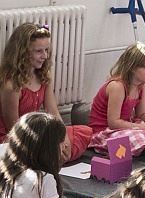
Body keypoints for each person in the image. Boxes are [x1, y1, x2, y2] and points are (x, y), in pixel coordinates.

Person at [0, 23, 91, 162]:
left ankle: (50, 158)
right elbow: (14, 128)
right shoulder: (11, 85)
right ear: (22, 52)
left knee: (85, 132)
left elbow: (53, 112)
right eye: (38, 51)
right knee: (46, 151)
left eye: (47, 50)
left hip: (36, 132)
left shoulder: (43, 76)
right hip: (17, 137)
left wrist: (63, 138)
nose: (45, 56)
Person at [88, 42, 145, 156]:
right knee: (140, 137)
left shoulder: (142, 86)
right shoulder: (117, 86)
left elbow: (142, 114)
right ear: (133, 67)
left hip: (125, 126)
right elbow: (113, 123)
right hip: (105, 131)